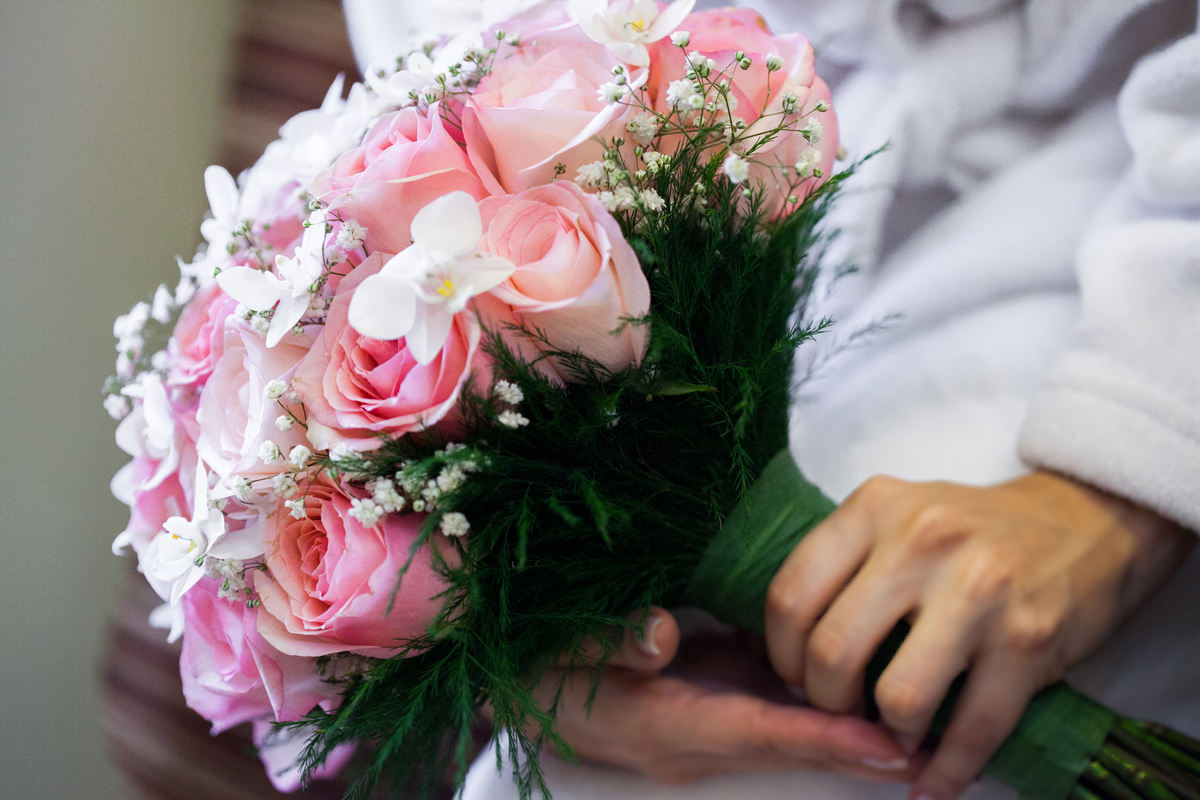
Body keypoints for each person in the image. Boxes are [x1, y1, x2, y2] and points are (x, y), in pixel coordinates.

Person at [341, 1, 1200, 798]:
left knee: (930, 641)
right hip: (708, 265)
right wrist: (516, 638)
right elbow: (446, 132)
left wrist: (1121, 480)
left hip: (1134, 197)